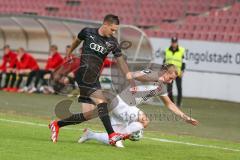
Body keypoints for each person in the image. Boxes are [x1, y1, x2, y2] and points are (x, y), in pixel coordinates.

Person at [49, 14, 136, 145]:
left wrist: (130, 78)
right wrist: (69, 53)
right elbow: (77, 41)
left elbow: (121, 61)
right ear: (105, 24)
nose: (114, 32)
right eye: (112, 29)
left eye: (115, 30)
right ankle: (112, 135)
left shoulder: (112, 42)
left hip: (94, 78)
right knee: (102, 102)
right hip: (84, 74)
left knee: (88, 114)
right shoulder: (87, 31)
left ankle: (56, 124)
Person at [77, 64, 198, 147]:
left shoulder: (162, 88)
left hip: (127, 107)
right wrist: (136, 81)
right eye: (171, 78)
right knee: (144, 121)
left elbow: (170, 104)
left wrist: (186, 117)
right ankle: (120, 137)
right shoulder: (152, 74)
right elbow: (131, 75)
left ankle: (90, 134)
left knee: (112, 139)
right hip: (123, 103)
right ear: (166, 72)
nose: (171, 81)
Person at [164, 37, 186, 107]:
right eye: (173, 42)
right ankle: (172, 103)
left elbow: (184, 62)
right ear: (171, 42)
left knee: (179, 88)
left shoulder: (182, 50)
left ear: (177, 42)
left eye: (175, 42)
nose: (174, 44)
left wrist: (182, 70)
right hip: (170, 73)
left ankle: (179, 104)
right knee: (169, 89)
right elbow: (164, 61)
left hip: (178, 73)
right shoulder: (167, 50)